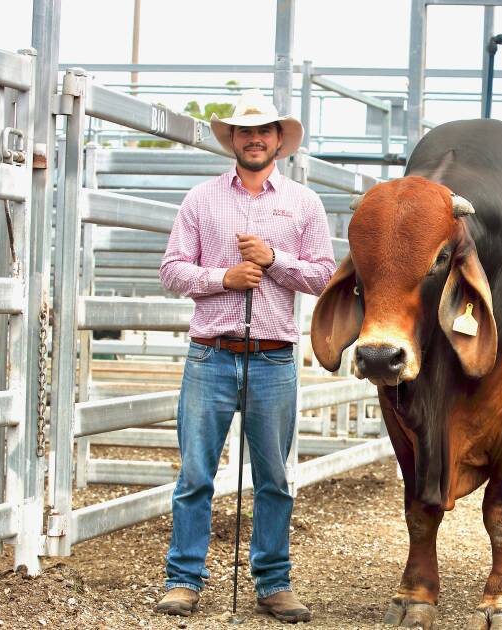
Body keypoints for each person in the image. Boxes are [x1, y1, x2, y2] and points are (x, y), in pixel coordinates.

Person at [154, 89, 335, 623]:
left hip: (273, 358)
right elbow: (172, 270)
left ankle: (273, 582)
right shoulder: (201, 199)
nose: (254, 139)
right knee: (195, 474)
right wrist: (223, 278)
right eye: (245, 132)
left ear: (279, 139)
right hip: (211, 355)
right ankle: (184, 580)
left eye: (264, 131)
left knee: (274, 477)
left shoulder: (304, 202)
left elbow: (323, 273)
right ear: (233, 139)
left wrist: (274, 259)